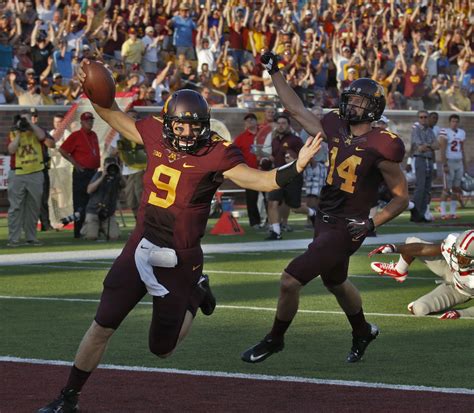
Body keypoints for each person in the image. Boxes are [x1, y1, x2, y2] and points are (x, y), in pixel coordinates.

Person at [38, 62, 322, 411]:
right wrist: (92, 92)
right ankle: (68, 397)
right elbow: (111, 113)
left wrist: (296, 166)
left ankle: (195, 293)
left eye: (193, 126)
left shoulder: (215, 151)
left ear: (204, 127)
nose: (186, 133)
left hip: (179, 257)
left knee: (162, 349)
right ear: (167, 121)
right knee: (102, 324)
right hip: (140, 245)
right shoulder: (154, 130)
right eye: (180, 124)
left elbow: (260, 181)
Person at [241, 51, 408, 365]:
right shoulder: (333, 125)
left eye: (360, 101)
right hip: (324, 218)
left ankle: (275, 339)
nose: (352, 105)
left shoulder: (384, 143)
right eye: (351, 99)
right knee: (335, 282)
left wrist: (373, 224)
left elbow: (401, 197)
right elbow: (295, 107)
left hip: (348, 226)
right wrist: (275, 70)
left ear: (373, 109)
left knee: (290, 280)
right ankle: (362, 330)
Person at [369, 230, 474, 319]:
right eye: (456, 253)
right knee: (412, 242)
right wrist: (394, 248)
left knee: (420, 309)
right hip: (449, 271)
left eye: (463, 259)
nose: (456, 259)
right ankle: (399, 270)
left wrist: (461, 313)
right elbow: (421, 249)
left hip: (462, 291)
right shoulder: (455, 246)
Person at [7, 111, 54, 247]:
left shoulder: (37, 131)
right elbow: (11, 150)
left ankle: (31, 237)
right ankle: (14, 238)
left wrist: (31, 125)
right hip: (18, 173)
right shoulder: (13, 132)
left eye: (26, 120)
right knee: (15, 207)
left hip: (35, 173)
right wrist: (19, 132)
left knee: (33, 207)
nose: (24, 123)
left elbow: (44, 138)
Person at [59, 112, 101, 238]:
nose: (90, 122)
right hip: (82, 173)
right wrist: (76, 164)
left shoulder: (93, 135)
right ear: (82, 122)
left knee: (92, 202)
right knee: (80, 202)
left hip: (93, 172)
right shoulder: (76, 135)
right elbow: (62, 150)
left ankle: (91, 229)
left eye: (91, 120)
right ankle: (78, 232)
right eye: (87, 120)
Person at [265, 113, 304, 240]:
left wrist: (295, 160)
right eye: (279, 123)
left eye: (283, 123)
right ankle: (276, 232)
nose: (281, 126)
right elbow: (274, 156)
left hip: (292, 176)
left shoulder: (296, 140)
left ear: (288, 125)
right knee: (272, 202)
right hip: (278, 175)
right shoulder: (275, 140)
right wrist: (267, 160)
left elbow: (305, 158)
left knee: (295, 207)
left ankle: (312, 213)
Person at [81, 157, 125, 241]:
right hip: (94, 212)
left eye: (113, 166)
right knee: (91, 237)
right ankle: (88, 228)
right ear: (104, 166)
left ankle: (103, 228)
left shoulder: (117, 177)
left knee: (114, 237)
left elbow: (124, 185)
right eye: (108, 166)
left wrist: (120, 174)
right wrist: (102, 177)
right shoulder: (98, 175)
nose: (110, 169)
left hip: (108, 214)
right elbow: (89, 190)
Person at [233, 113, 261, 229]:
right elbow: (233, 153)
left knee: (269, 199)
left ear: (256, 121)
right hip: (250, 173)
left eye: (251, 120)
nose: (249, 122)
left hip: (266, 170)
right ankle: (255, 222)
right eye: (247, 120)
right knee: (251, 199)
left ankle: (271, 222)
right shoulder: (241, 138)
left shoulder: (263, 134)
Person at [410, 110, 439, 223]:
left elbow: (437, 145)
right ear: (418, 118)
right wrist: (430, 146)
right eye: (421, 117)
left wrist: (427, 146)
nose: (423, 119)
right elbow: (420, 147)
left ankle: (422, 214)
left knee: (427, 189)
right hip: (420, 159)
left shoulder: (430, 131)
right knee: (420, 187)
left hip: (429, 160)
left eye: (425, 117)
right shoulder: (416, 130)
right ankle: (415, 214)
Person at [439, 114, 467, 219]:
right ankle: (442, 213)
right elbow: (442, 149)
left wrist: (465, 165)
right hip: (449, 161)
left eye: (456, 121)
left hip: (459, 162)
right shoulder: (445, 131)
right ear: (449, 122)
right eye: (453, 121)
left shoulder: (461, 132)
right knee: (446, 189)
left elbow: (462, 149)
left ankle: (453, 212)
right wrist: (444, 164)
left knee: (456, 188)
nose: (454, 123)